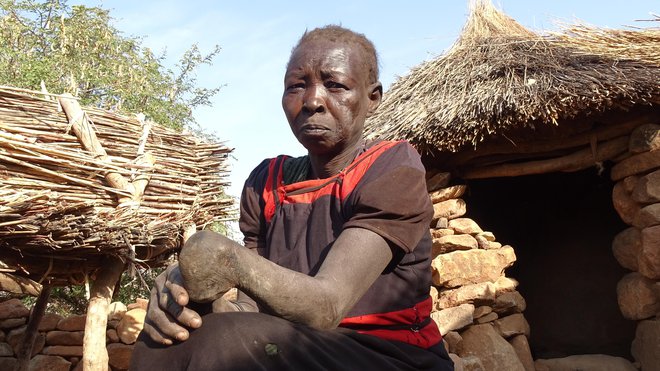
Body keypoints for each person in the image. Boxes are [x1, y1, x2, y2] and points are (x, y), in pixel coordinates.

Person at [130, 25, 454, 370]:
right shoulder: (266, 183)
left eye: (335, 85)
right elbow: (247, 311)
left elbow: (327, 306)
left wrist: (230, 260)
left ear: (372, 98)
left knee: (226, 342)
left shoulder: (392, 168)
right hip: (293, 346)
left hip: (391, 355)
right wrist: (185, 302)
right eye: (296, 86)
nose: (312, 101)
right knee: (163, 341)